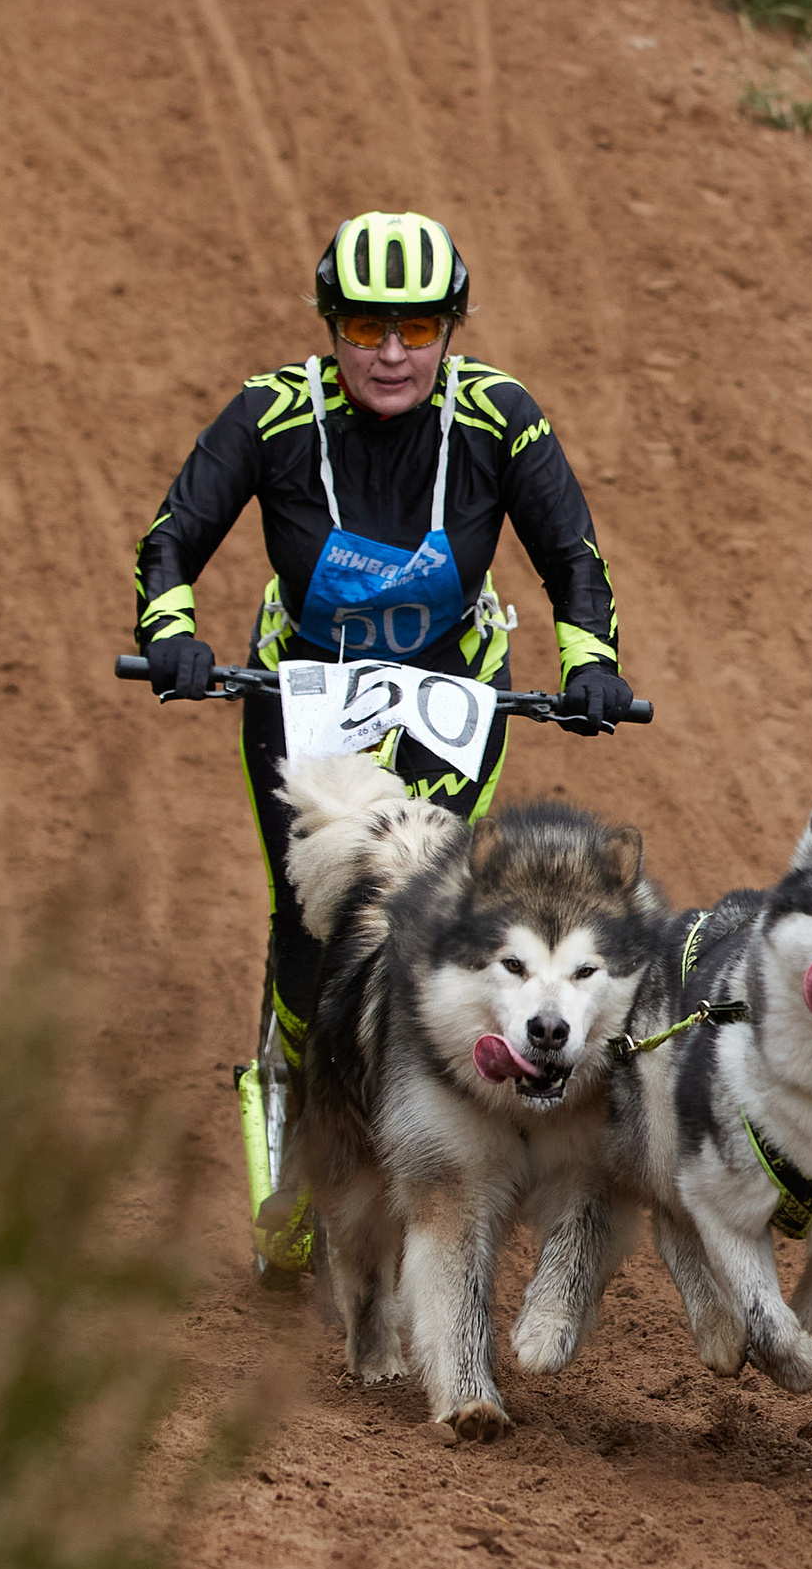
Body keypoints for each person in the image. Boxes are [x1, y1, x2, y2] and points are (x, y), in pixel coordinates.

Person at [131, 209, 631, 1076]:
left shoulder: (499, 416)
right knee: (311, 912)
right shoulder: (271, 414)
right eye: (366, 326)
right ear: (333, 328)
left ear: (449, 330)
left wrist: (591, 664)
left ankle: (407, 1093)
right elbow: (171, 540)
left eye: (419, 327)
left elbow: (573, 558)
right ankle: (297, 1085)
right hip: (304, 685)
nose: (391, 353)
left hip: (452, 684)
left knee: (428, 908)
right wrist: (173, 633)